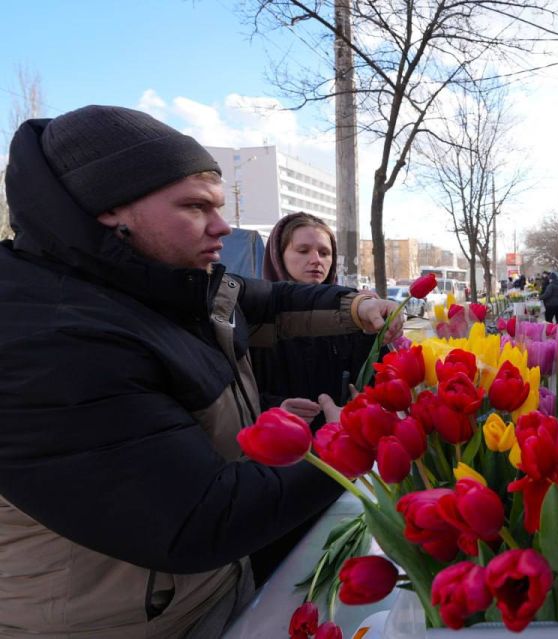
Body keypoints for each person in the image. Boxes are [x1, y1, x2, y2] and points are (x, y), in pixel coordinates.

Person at [0, 105, 401, 638]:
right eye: (194, 207)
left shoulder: (165, 279)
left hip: (209, 592)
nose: (223, 226)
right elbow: (195, 518)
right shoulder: (44, 338)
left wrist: (356, 308)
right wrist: (343, 439)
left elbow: (264, 302)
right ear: (105, 211)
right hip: (126, 624)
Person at [249, 212, 379, 584]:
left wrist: (362, 400)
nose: (315, 260)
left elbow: (371, 379)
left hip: (341, 462)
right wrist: (276, 409)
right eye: (303, 250)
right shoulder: (254, 322)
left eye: (324, 251)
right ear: (278, 255)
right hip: (280, 470)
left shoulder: (352, 317)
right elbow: (236, 393)